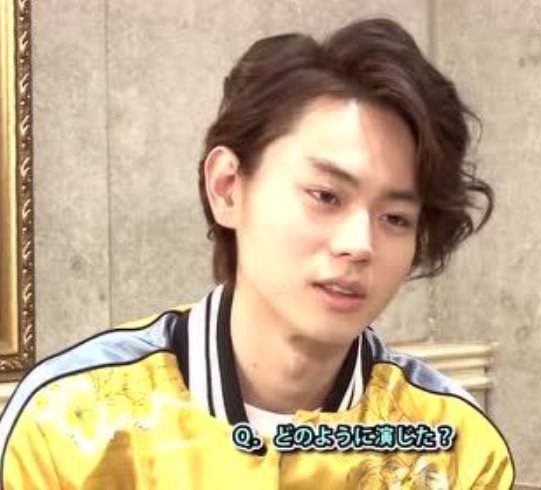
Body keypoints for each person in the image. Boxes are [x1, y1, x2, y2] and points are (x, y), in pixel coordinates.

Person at [0, 18, 514, 489]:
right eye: (326, 196)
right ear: (227, 187)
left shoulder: (454, 448)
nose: (360, 244)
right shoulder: (67, 425)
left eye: (396, 218)